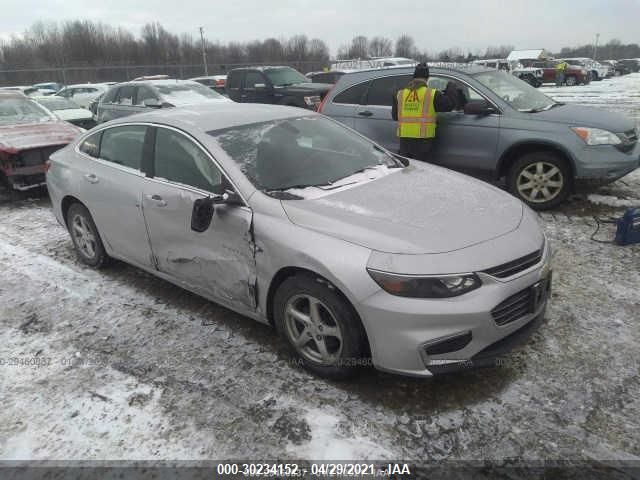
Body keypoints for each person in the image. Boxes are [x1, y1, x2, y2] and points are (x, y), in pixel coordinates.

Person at [391, 63, 459, 161]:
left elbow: (395, 116)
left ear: (413, 77)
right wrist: (451, 87)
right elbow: (450, 105)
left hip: (404, 142)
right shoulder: (432, 94)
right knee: (423, 170)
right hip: (423, 142)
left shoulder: (400, 93)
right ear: (427, 78)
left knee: (408, 170)